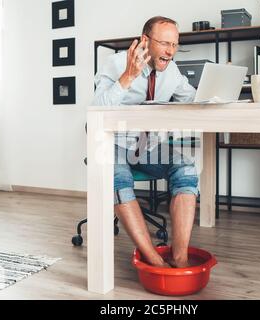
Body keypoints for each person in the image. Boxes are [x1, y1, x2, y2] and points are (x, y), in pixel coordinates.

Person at [92, 16, 198, 268]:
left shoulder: (171, 71)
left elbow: (192, 98)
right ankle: (152, 258)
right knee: (118, 176)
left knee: (186, 167)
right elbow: (96, 110)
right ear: (145, 41)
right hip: (114, 144)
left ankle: (180, 256)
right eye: (164, 43)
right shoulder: (116, 63)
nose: (170, 51)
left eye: (175, 44)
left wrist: (216, 94)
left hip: (149, 148)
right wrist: (128, 76)